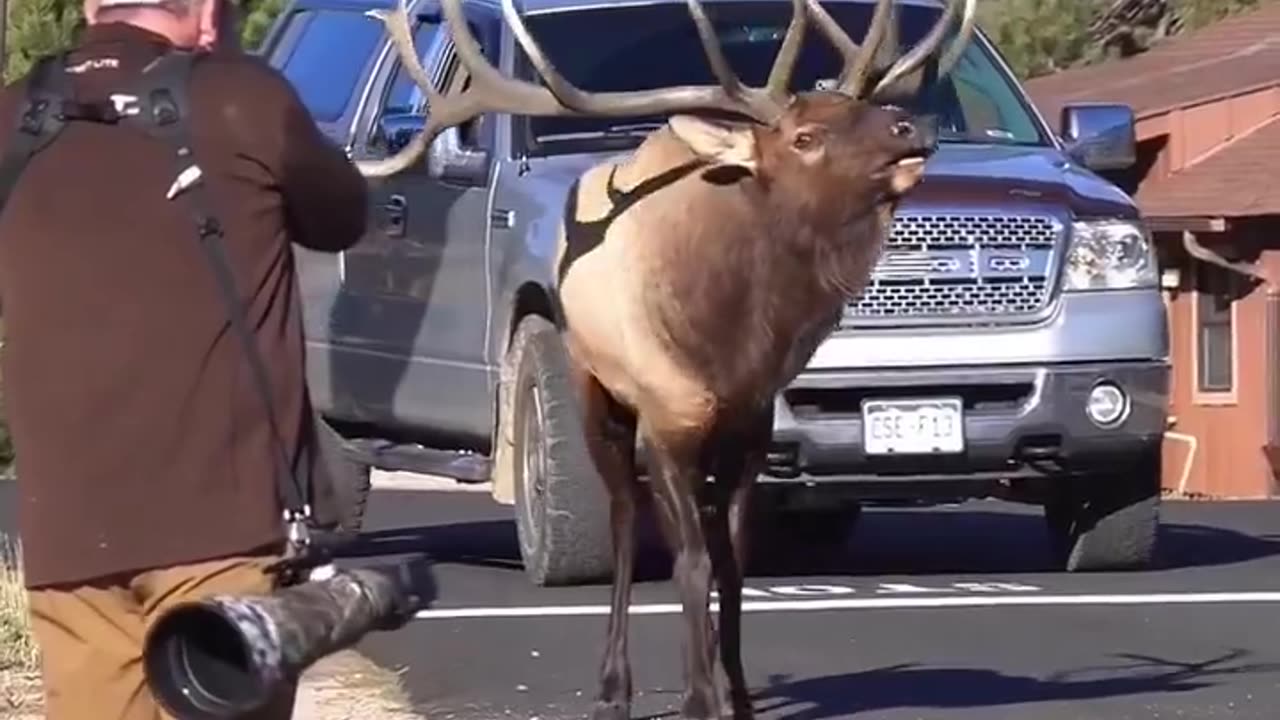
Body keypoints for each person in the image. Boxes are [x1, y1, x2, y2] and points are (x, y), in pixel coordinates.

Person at [0, 0, 369, 716]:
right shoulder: (242, 99)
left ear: (87, 7)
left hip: (69, 535)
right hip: (222, 524)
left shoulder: (14, 114)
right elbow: (342, 215)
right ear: (206, 11)